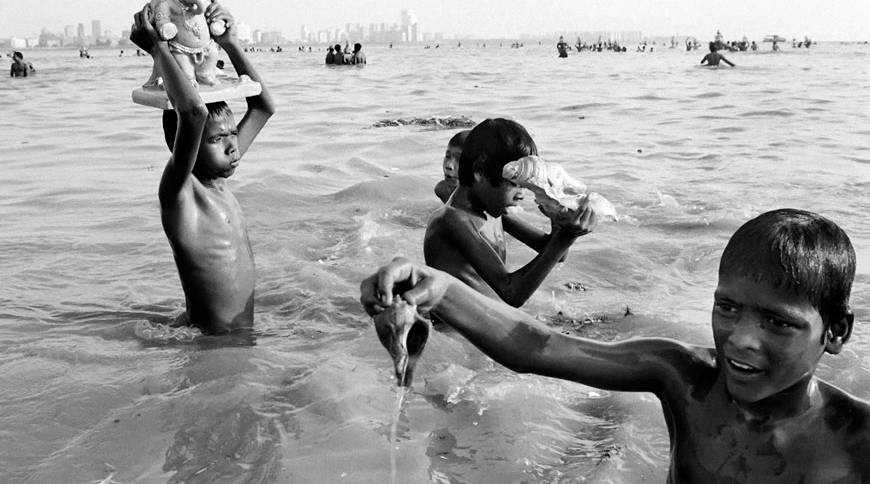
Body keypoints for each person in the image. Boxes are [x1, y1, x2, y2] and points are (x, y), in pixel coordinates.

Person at [362, 208, 870, 483]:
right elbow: (538, 345)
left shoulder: (858, 441)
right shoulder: (684, 378)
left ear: (837, 332)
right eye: (727, 307)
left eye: (778, 324)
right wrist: (441, 289)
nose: (740, 339)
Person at [129, 0, 276, 334]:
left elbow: (264, 106)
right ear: (185, 145)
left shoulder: (219, 176)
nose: (231, 145)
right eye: (215, 140)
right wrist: (157, 50)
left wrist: (230, 43)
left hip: (238, 333)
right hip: (214, 341)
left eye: (231, 135)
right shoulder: (181, 194)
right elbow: (193, 113)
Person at [424, 118, 595, 307]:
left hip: (493, 318)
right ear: (480, 172)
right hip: (457, 331)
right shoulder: (453, 219)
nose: (521, 196)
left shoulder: (494, 213)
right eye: (515, 185)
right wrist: (566, 238)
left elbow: (556, 253)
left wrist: (559, 222)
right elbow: (512, 292)